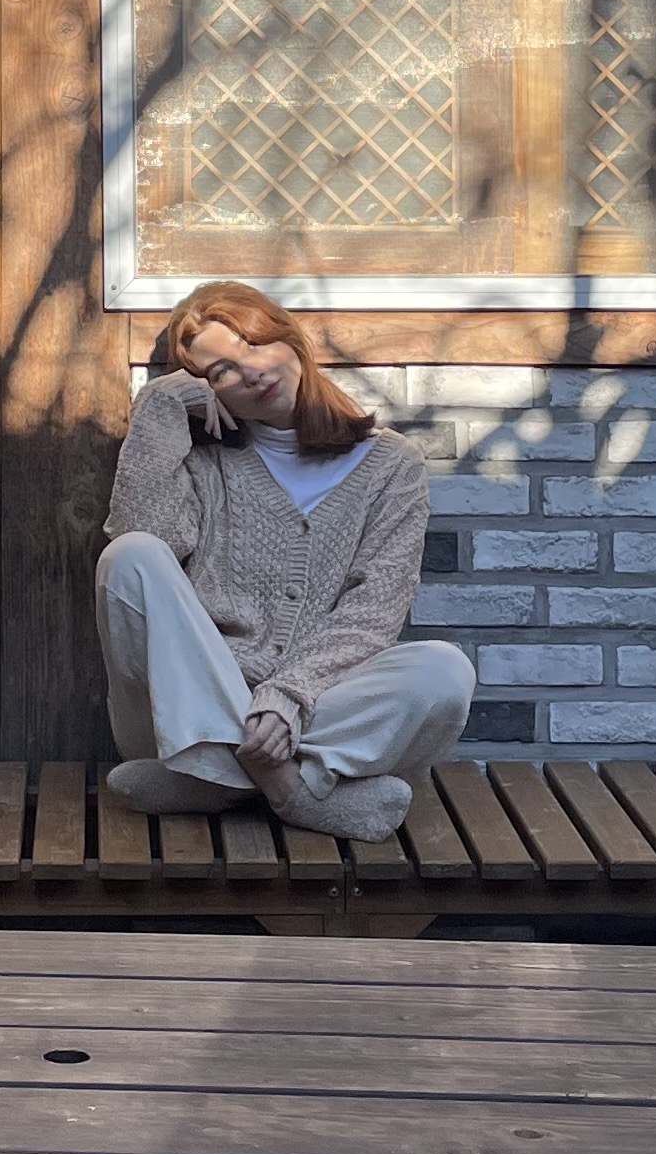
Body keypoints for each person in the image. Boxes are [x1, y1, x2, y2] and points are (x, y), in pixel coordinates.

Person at [99, 281, 475, 843]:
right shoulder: (204, 465)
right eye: (221, 371)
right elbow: (144, 541)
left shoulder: (391, 466)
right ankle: (289, 788)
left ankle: (211, 782)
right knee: (130, 554)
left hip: (312, 705)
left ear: (291, 340)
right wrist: (160, 405)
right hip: (187, 706)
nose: (250, 372)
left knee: (444, 670)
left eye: (253, 344)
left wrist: (286, 696)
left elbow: (373, 614)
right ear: (208, 392)